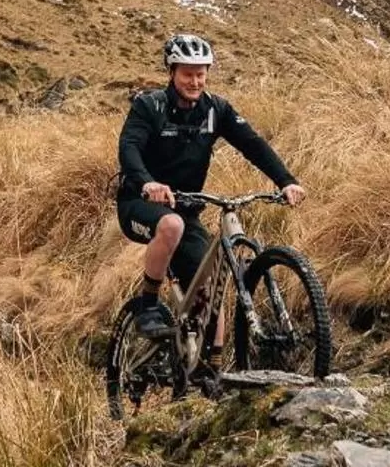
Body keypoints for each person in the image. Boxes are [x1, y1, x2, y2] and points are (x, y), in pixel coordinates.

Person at [116, 33, 305, 338]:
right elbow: (129, 148)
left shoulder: (216, 109)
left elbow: (253, 145)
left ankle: (211, 366)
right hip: (139, 204)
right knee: (171, 225)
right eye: (188, 74)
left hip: (187, 209)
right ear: (172, 72)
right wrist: (148, 182)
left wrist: (286, 181)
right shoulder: (149, 106)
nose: (195, 82)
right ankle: (147, 306)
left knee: (209, 288)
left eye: (201, 74)